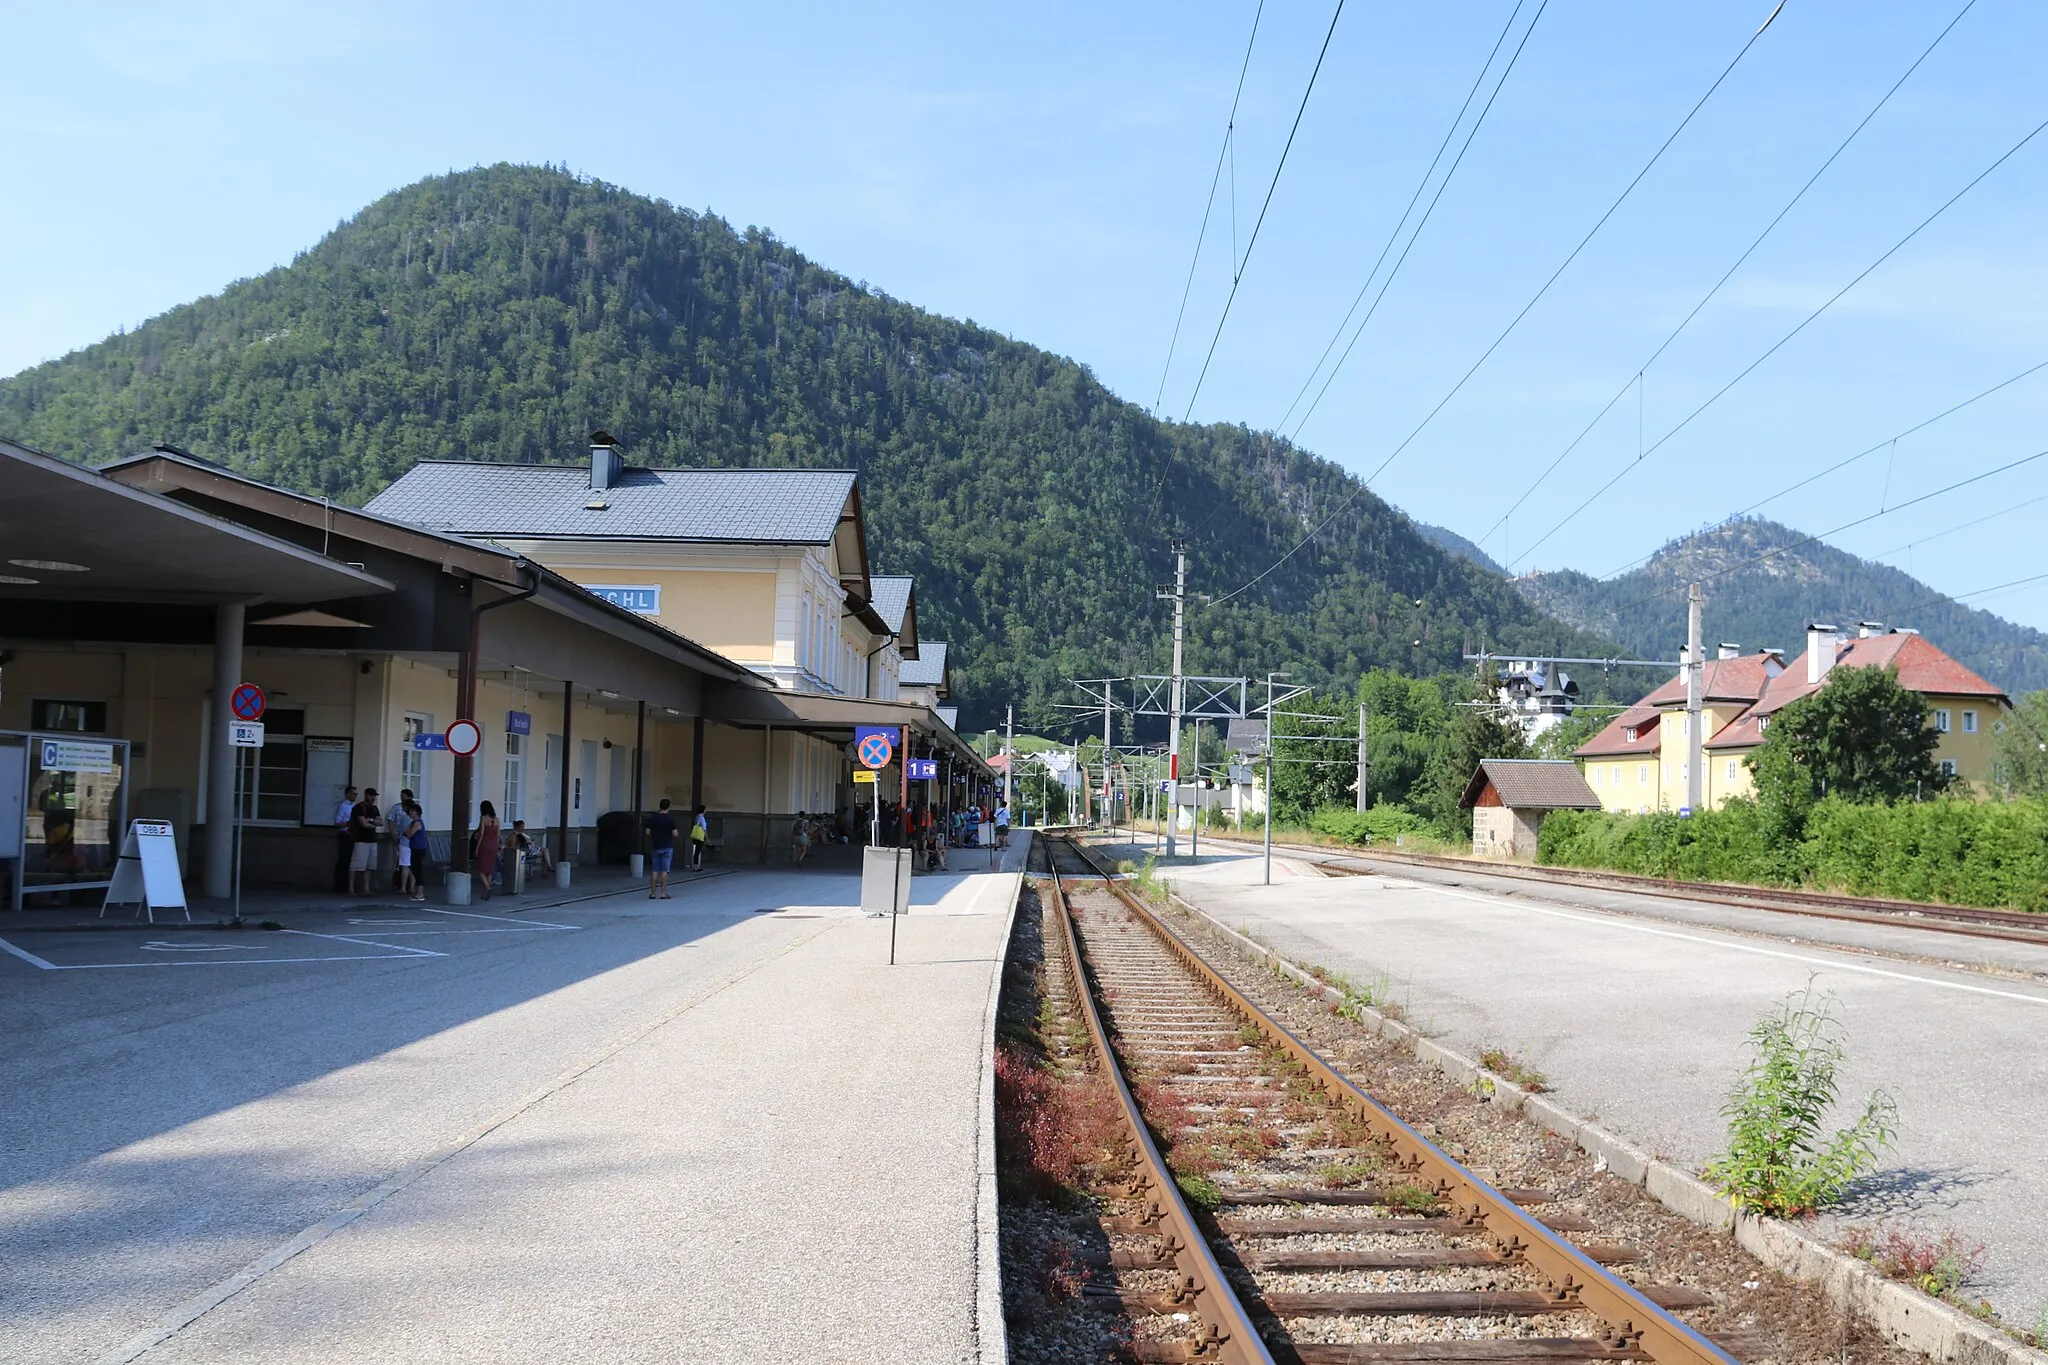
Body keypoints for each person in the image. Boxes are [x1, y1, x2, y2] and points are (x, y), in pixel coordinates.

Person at [348, 788, 382, 896]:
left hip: (372, 839)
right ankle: (351, 889)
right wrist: (372, 824)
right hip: (360, 839)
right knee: (355, 865)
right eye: (372, 796)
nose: (373, 798)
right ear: (366, 795)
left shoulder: (375, 808)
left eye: (375, 796)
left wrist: (370, 820)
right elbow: (363, 823)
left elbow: (381, 822)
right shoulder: (359, 807)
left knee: (369, 866)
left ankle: (366, 889)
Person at [646, 798, 678, 898]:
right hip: (667, 846)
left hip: (656, 846)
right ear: (668, 807)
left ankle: (653, 893)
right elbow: (675, 833)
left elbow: (647, 832)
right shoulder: (670, 819)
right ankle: (663, 893)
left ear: (659, 806)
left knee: (655, 870)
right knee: (664, 870)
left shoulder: (653, 818)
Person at [392, 800, 421, 900]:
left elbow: (401, 831)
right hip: (414, 845)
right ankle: (412, 886)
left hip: (404, 843)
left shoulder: (404, 818)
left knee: (404, 865)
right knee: (413, 866)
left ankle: (403, 887)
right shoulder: (417, 820)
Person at [331, 784, 358, 893]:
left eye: (356, 794)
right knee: (343, 860)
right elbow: (337, 822)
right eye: (353, 794)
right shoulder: (342, 806)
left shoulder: (355, 806)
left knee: (350, 861)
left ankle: (347, 885)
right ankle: (338, 885)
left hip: (353, 835)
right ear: (348, 794)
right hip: (345, 834)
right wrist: (348, 823)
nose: (355, 796)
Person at [472, 799, 501, 902]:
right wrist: (497, 847)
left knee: (480, 869)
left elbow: (481, 835)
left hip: (485, 844)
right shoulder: (497, 820)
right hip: (493, 845)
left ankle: (488, 888)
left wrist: (476, 849)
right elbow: (498, 836)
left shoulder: (483, 818)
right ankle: (485, 893)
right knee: (489, 869)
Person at [403, 801, 429, 901]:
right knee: (415, 869)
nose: (410, 813)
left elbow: (409, 834)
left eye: (411, 811)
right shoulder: (414, 823)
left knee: (417, 870)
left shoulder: (417, 823)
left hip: (418, 849)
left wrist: (408, 832)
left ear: (416, 812)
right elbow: (406, 832)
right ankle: (418, 892)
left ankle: (420, 893)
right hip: (415, 848)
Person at [689, 805, 708, 871]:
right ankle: (696, 866)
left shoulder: (697, 817)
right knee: (697, 851)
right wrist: (707, 837)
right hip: (700, 836)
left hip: (695, 836)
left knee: (695, 852)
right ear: (703, 810)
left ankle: (695, 865)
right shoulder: (702, 818)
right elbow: (704, 829)